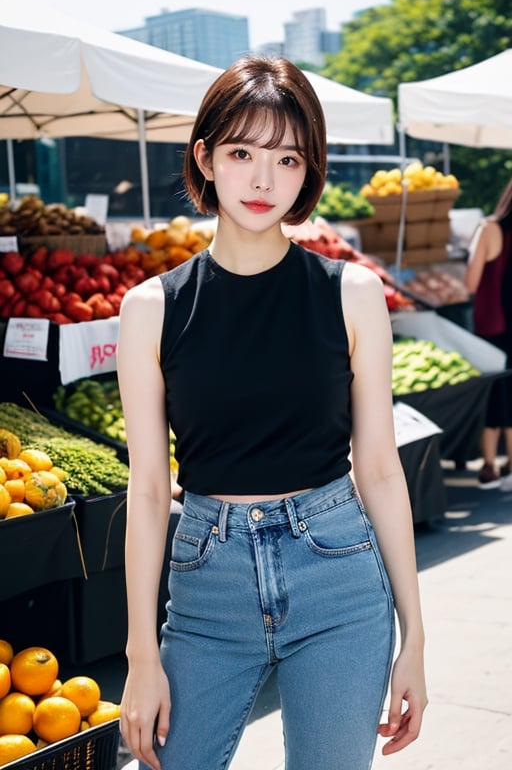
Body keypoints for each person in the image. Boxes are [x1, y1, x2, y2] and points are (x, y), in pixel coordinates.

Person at [117, 56, 427, 770]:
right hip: (205, 587)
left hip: (338, 579)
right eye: (241, 153)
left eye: (287, 157)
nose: (263, 180)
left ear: (308, 167)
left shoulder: (351, 293)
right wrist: (140, 653)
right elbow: (146, 490)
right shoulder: (150, 309)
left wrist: (415, 636)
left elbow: (378, 468)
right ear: (205, 157)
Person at [465, 179, 512, 490]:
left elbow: (471, 282)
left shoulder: (490, 228)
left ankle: (489, 464)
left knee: (495, 389)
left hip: (495, 321)